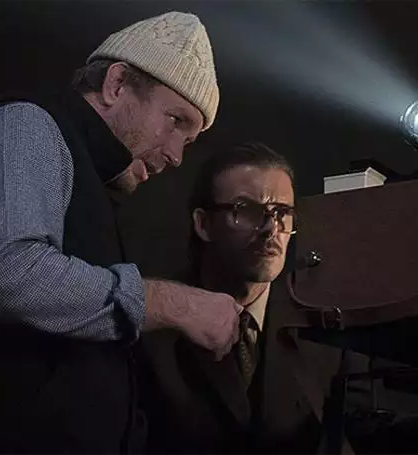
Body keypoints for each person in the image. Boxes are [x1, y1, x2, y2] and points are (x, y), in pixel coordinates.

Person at [0, 11, 241, 454]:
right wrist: (176, 303)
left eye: (188, 142)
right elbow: (11, 276)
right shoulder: (24, 124)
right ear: (116, 84)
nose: (175, 156)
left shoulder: (91, 178)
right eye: (175, 121)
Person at [138, 142, 329, 454]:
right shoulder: (154, 326)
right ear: (203, 224)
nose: (271, 229)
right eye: (246, 210)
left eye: (282, 213)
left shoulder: (323, 327)